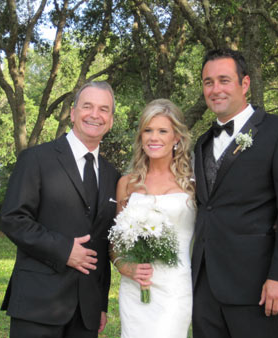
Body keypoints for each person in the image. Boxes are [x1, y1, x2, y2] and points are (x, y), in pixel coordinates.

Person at [191, 48, 278, 338]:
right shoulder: (202, 143)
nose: (215, 89)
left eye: (224, 80)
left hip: (256, 286)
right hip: (204, 286)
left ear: (244, 84)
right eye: (208, 82)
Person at [0, 81, 121, 338]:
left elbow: (102, 241)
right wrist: (64, 250)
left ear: (110, 120)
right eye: (87, 106)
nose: (95, 115)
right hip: (37, 302)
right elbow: (13, 219)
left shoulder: (113, 175)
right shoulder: (36, 159)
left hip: (85, 311)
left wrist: (100, 303)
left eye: (103, 109)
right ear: (73, 113)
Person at [112, 99, 196, 338]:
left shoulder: (192, 185)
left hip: (175, 289)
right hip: (135, 289)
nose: (153, 137)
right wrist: (126, 267)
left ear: (176, 138)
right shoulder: (126, 184)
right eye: (148, 130)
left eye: (162, 131)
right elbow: (115, 243)